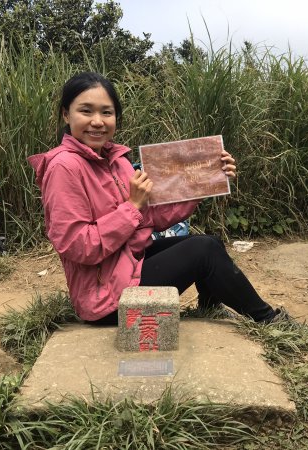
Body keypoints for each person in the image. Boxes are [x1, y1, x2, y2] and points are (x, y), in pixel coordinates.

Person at [28, 72, 290, 326]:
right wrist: (131, 207)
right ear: (66, 114)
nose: (97, 121)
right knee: (204, 252)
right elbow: (77, 246)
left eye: (106, 112)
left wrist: (207, 181)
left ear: (116, 117)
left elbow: (151, 218)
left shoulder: (115, 160)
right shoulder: (64, 167)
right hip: (106, 299)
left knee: (210, 241)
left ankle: (209, 307)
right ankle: (268, 319)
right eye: (86, 111)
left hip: (129, 265)